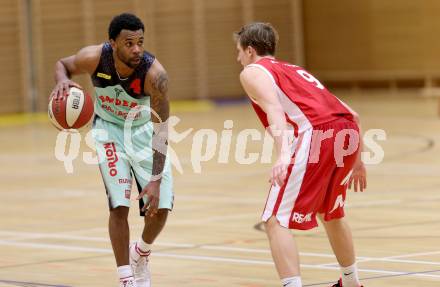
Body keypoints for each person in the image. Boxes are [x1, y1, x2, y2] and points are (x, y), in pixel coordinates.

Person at [235, 22, 367, 287]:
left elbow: (273, 110)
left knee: (275, 220)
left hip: (315, 135)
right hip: (346, 132)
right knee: (331, 213)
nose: (237, 57)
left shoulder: (252, 71)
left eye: (238, 51)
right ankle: (351, 283)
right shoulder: (294, 70)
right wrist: (359, 161)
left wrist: (284, 155)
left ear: (250, 50)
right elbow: (352, 114)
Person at [50, 13, 173, 287]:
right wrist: (61, 81)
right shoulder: (94, 57)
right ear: (112, 43)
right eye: (129, 43)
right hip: (108, 130)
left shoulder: (155, 76)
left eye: (140, 42)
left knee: (161, 207)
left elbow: (162, 130)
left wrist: (154, 181)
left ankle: (140, 253)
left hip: (143, 132)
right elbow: (62, 64)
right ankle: (126, 278)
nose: (137, 48)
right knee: (119, 204)